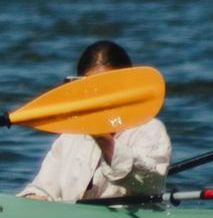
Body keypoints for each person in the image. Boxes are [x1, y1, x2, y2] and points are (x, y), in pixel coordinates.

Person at [20, 39, 170, 203]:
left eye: (108, 87)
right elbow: (43, 188)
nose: (100, 97)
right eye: (92, 88)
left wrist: (102, 138)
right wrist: (33, 197)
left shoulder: (149, 129)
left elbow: (150, 184)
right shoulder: (70, 136)